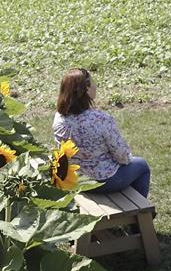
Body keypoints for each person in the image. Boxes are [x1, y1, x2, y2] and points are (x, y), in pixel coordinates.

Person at [52, 68, 150, 198]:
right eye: (93, 82)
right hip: (104, 181)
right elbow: (123, 156)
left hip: (75, 179)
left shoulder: (59, 118)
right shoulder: (100, 119)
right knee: (142, 165)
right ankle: (141, 212)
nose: (95, 86)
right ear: (86, 89)